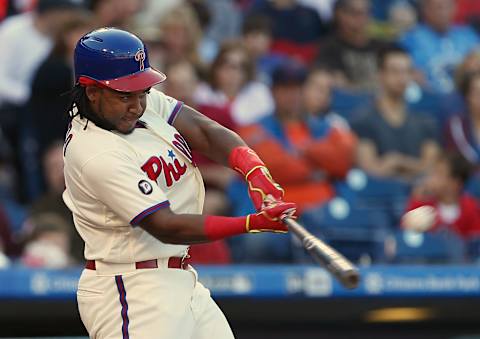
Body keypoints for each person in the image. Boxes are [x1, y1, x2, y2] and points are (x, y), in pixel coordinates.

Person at [64, 27, 296, 339]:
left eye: (142, 92)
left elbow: (203, 130)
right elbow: (165, 225)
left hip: (180, 278)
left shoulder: (131, 103)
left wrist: (253, 169)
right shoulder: (94, 150)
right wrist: (250, 223)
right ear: (91, 90)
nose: (137, 105)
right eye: (125, 96)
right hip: (132, 289)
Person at [352, 44, 440, 181]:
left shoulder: (425, 121)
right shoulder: (363, 120)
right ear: (380, 74)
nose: (402, 78)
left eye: (407, 71)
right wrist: (415, 166)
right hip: (380, 198)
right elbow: (370, 170)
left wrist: (397, 162)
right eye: (395, 71)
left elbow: (430, 168)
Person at [399, 0, 480, 93]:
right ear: (425, 10)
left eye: (447, 7)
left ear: (455, 8)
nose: (443, 12)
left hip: (465, 99)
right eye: (438, 7)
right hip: (428, 99)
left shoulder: (468, 36)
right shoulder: (411, 39)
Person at [404, 152, 480, 240]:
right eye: (433, 173)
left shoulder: (471, 208)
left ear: (455, 183)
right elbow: (407, 236)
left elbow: (476, 242)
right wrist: (416, 201)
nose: (432, 178)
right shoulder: (422, 204)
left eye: (439, 174)